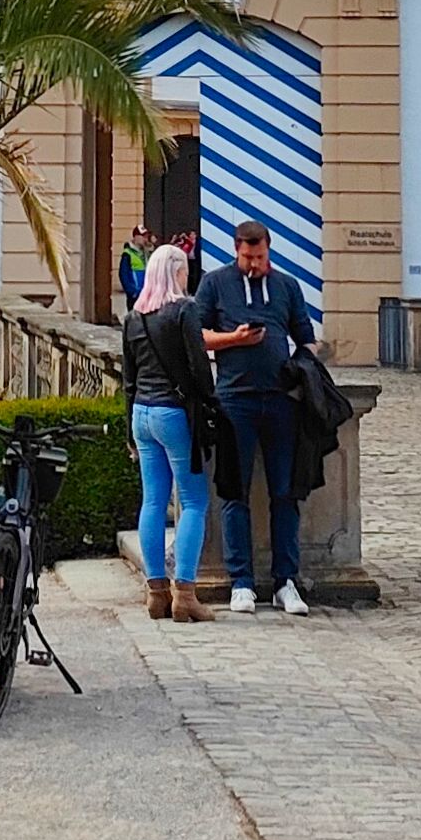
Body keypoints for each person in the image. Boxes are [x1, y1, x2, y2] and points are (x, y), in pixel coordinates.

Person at [194, 218, 320, 614]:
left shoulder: (287, 286)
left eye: (260, 257)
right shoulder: (215, 284)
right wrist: (234, 339)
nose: (254, 264)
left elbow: (307, 338)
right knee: (235, 492)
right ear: (236, 250)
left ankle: (286, 581)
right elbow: (196, 336)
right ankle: (241, 582)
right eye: (248, 257)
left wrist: (302, 367)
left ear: (269, 251)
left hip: (281, 401)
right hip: (235, 401)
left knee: (285, 491)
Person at [118, 239, 215, 622]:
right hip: (173, 414)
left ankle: (156, 591)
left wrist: (129, 429)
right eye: (185, 271)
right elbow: (198, 366)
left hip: (141, 414)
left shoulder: (133, 317)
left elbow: (128, 380)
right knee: (193, 501)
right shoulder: (183, 311)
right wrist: (209, 400)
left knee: (153, 502)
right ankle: (185, 594)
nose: (187, 277)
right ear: (176, 273)